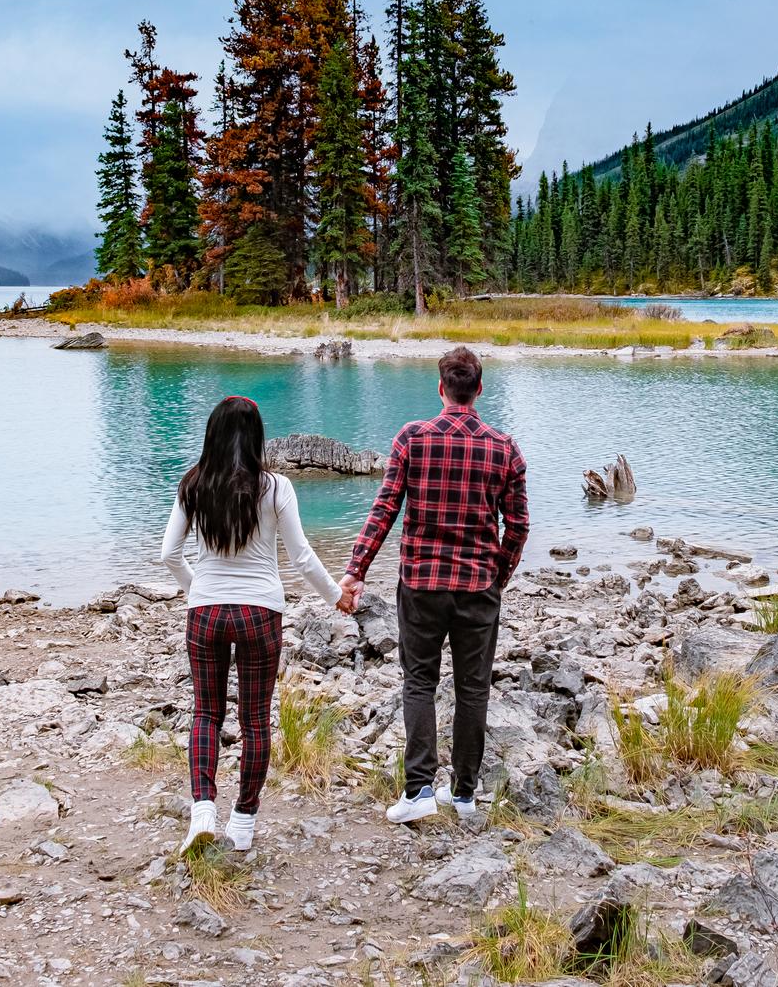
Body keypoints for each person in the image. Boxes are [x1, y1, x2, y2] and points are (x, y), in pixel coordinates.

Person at [337, 346, 529, 823]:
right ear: (479, 389)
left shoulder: (412, 438)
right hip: (478, 586)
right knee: (473, 688)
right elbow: (519, 525)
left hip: (421, 583)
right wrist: (497, 578)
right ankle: (464, 795)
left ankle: (419, 791)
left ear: (441, 388)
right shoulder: (504, 448)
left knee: (419, 681)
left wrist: (355, 571)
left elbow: (385, 510)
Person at [161, 395, 342, 855]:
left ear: (212, 435)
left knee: (206, 712)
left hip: (205, 613)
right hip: (261, 613)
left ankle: (203, 806)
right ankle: (243, 817)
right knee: (255, 720)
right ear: (258, 436)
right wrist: (338, 597)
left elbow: (168, 555)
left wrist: (196, 589)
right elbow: (301, 558)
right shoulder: (276, 487)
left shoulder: (192, 484)